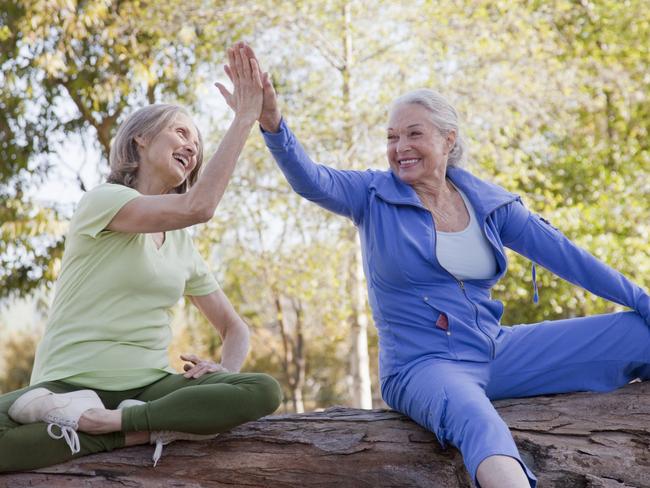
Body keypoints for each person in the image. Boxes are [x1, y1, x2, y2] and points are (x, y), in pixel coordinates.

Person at [244, 44, 650, 488]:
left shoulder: (489, 204)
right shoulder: (371, 195)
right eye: (391, 137)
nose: (400, 148)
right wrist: (273, 124)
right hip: (421, 365)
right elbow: (311, 179)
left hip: (495, 349)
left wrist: (644, 302)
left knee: (638, 332)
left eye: (414, 135)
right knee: (480, 422)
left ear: (447, 139)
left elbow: (572, 260)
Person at [0, 42, 282, 473]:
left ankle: (114, 424)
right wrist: (245, 116)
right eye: (181, 132)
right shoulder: (105, 201)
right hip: (64, 385)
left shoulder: (182, 244)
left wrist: (220, 368)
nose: (192, 147)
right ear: (142, 138)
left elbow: (234, 328)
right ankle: (129, 430)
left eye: (198, 144)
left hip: (150, 387)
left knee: (262, 389)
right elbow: (199, 208)